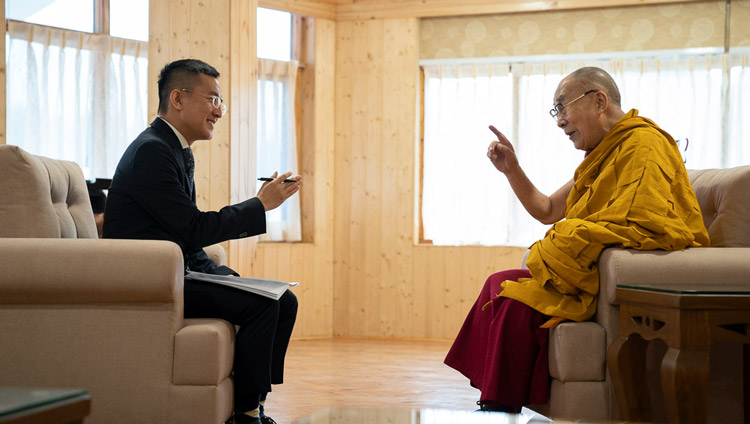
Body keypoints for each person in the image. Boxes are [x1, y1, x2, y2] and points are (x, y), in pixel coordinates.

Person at [444, 67, 710, 412]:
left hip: (609, 275)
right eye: (556, 111)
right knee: (499, 285)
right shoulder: (600, 156)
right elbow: (548, 208)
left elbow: (644, 221)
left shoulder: (645, 144)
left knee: (509, 293)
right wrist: (512, 169)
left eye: (562, 107)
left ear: (599, 100)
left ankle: (501, 403)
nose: (559, 121)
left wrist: (569, 236)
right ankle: (498, 403)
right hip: (590, 268)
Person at [103, 59, 301, 424]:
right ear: (177, 98)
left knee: (283, 299)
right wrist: (260, 204)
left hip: (178, 271)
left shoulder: (172, 147)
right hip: (152, 280)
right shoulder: (152, 151)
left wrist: (221, 274)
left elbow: (184, 235)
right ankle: (245, 415)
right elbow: (193, 228)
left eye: (220, 102)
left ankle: (253, 402)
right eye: (212, 100)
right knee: (264, 306)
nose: (219, 112)